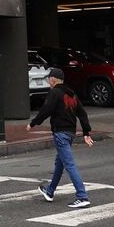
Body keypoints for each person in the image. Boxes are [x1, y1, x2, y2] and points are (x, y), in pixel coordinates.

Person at [29, 67, 94, 209]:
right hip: (70, 134)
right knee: (60, 163)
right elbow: (82, 114)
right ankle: (50, 191)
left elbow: (46, 110)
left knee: (69, 165)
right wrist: (86, 132)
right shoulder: (72, 94)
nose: (48, 82)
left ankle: (82, 196)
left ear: (53, 80)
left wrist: (33, 123)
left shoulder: (55, 93)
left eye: (49, 79)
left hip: (60, 134)